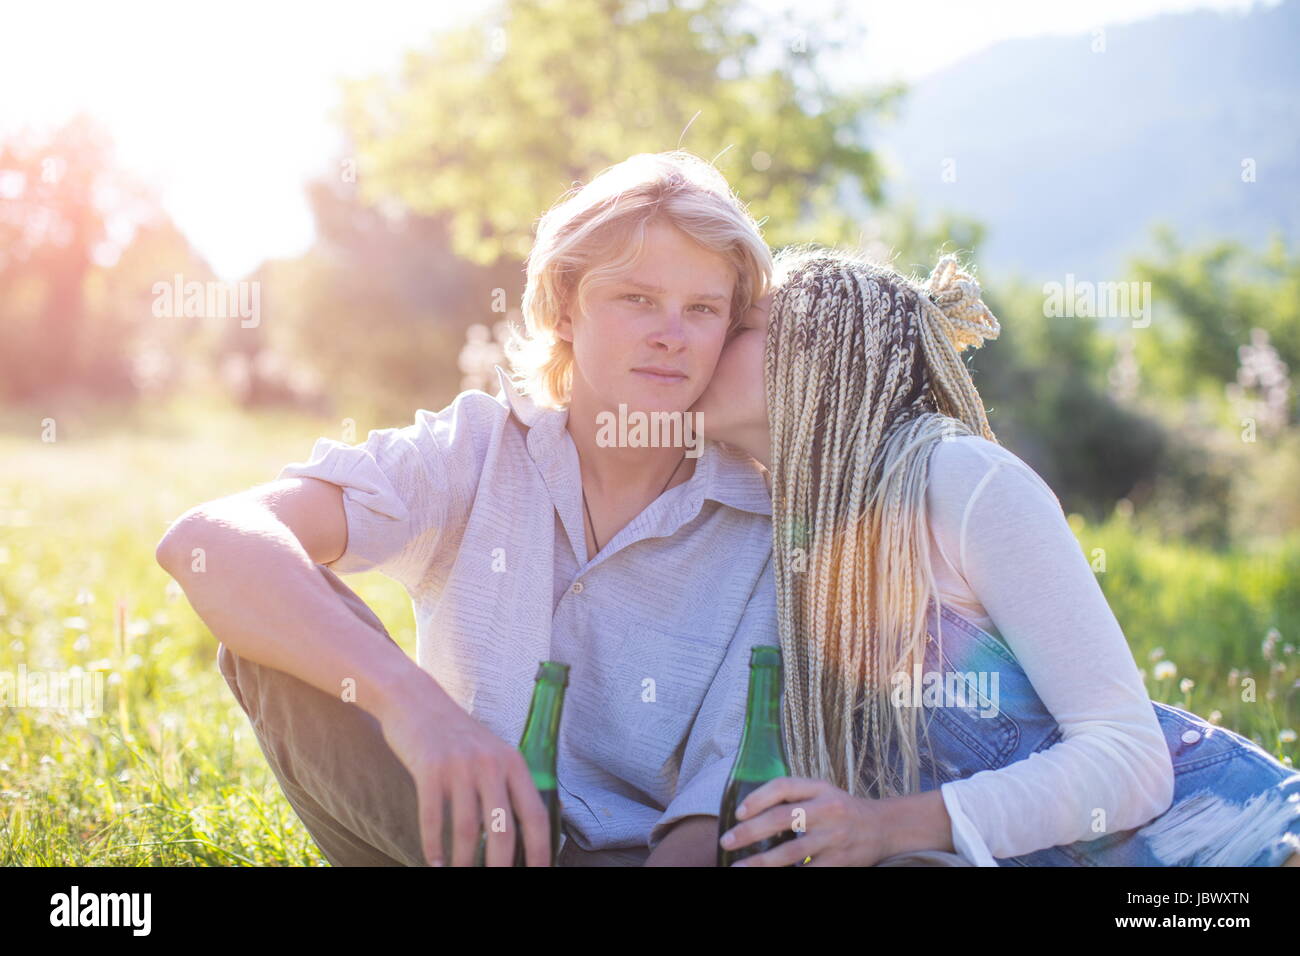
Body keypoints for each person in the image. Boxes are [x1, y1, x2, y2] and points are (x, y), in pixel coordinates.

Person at [156, 149, 778, 867]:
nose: (672, 333)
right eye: (637, 298)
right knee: (275, 647)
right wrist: (414, 708)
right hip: (457, 830)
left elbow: (715, 819)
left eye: (702, 309)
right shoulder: (476, 448)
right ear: (564, 306)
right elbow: (207, 541)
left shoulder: (760, 525)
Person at [692, 245, 1300, 866]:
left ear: (819, 357)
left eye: (740, 326)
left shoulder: (959, 479)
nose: (703, 343)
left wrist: (883, 827)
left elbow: (1128, 759)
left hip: (1241, 848)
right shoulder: (787, 526)